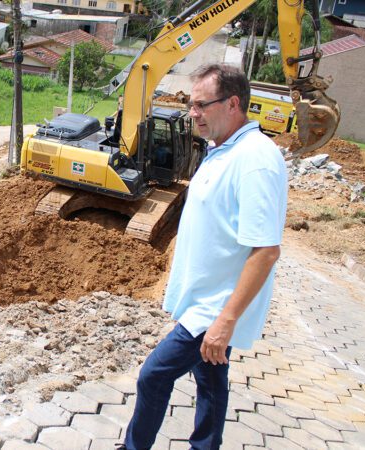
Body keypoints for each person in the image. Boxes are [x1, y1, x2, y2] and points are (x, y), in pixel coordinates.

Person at [121, 64, 288, 450]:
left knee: (153, 375)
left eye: (200, 104)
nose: (192, 113)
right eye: (190, 104)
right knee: (210, 379)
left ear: (232, 103)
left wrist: (225, 321)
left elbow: (266, 251)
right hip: (204, 297)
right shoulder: (221, 148)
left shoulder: (255, 160)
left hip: (215, 307)